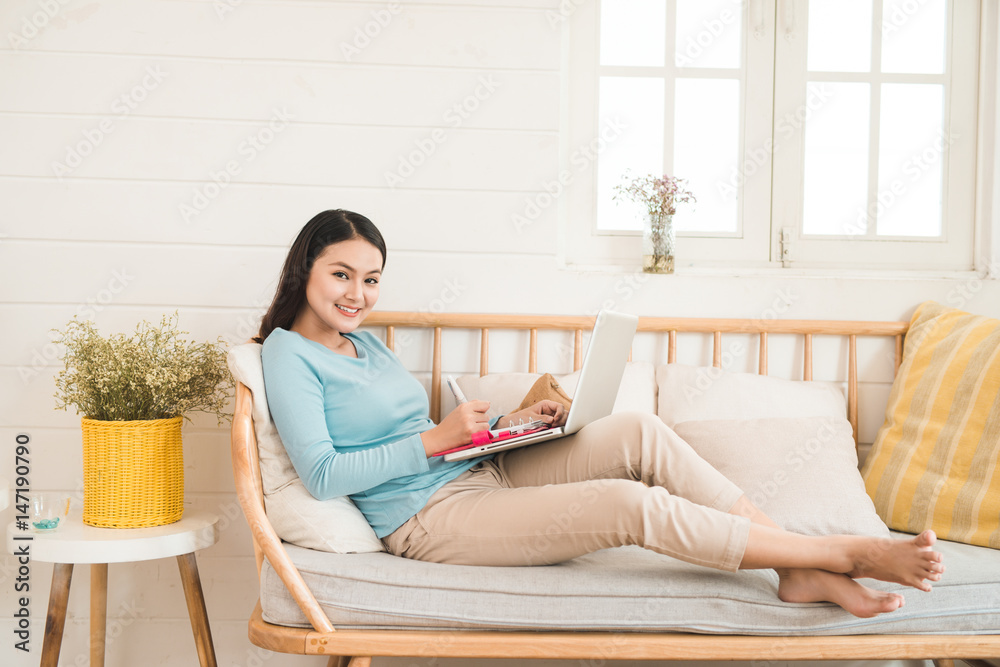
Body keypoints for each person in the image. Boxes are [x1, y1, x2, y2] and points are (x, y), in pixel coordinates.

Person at [258, 209, 945, 619]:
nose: (358, 292)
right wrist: (435, 439)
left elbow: (413, 433)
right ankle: (833, 553)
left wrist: (513, 424)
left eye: (371, 278)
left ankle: (795, 566)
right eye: (341, 274)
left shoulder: (366, 342)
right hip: (424, 518)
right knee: (627, 503)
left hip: (474, 472)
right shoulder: (288, 355)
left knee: (638, 430)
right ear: (305, 271)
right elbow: (321, 474)